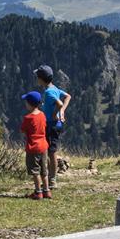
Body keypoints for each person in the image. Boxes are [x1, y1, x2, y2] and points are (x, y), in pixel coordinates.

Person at [34, 65, 71, 193]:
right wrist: (62, 112)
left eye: (37, 77)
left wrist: (56, 113)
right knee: (50, 150)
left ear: (41, 79)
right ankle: (50, 177)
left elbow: (60, 103)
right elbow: (68, 96)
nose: (36, 79)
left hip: (51, 125)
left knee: (51, 152)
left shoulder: (49, 92)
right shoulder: (54, 88)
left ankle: (52, 180)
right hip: (55, 124)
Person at [19, 91, 50, 199]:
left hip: (33, 147)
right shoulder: (42, 115)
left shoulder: (28, 118)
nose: (25, 104)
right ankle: (46, 191)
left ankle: (38, 192)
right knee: (44, 170)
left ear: (30, 104)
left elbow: (22, 130)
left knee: (35, 171)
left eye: (26, 102)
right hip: (43, 146)